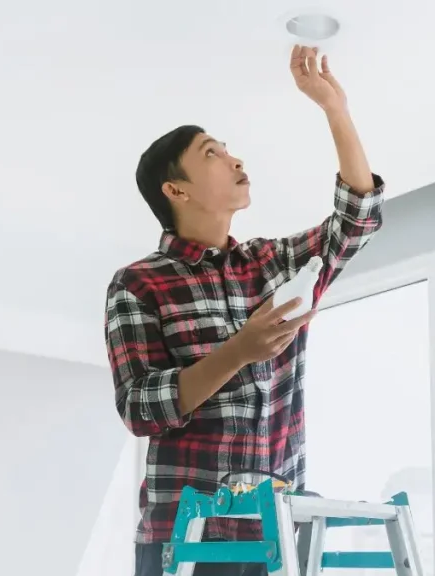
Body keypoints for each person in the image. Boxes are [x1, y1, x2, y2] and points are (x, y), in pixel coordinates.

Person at [105, 45, 385, 576]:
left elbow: (358, 220)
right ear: (175, 190)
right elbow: (140, 408)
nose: (235, 159)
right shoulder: (139, 284)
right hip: (187, 538)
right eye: (212, 153)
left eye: (229, 149)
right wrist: (239, 351)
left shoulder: (270, 263)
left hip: (277, 533)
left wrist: (335, 110)